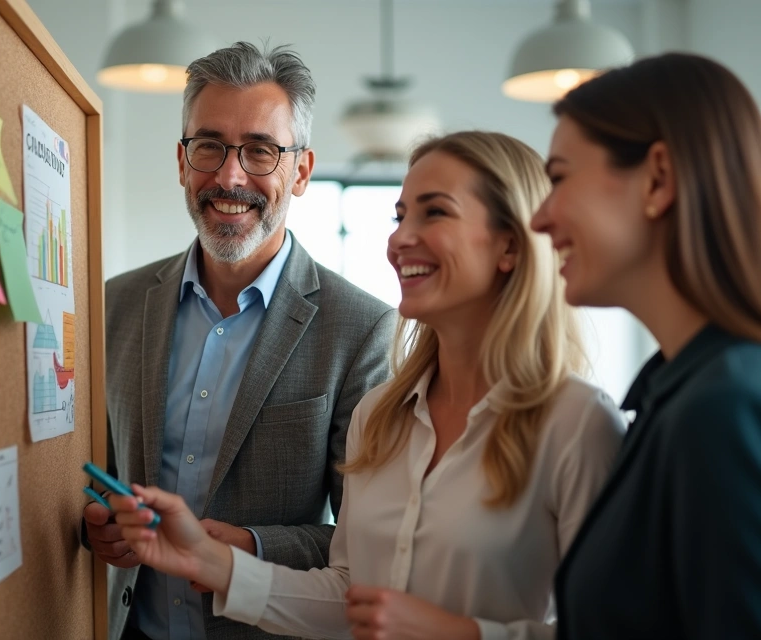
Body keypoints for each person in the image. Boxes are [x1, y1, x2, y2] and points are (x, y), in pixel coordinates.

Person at [109, 131, 627, 640]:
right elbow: (348, 595)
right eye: (400, 217)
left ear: (510, 245)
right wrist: (213, 561)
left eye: (435, 212)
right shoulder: (380, 417)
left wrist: (461, 634)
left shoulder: (579, 426)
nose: (399, 240)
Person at [529, 52, 761, 639]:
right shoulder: (691, 390)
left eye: (559, 178)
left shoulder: (730, 409)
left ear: (658, 179)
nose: (541, 217)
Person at [84, 42, 397, 640]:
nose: (230, 176)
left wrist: (247, 546)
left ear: (300, 172)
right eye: (210, 147)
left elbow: (372, 549)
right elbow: (94, 471)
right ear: (182, 162)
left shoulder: (359, 329)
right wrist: (93, 519)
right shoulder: (114, 305)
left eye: (260, 151)